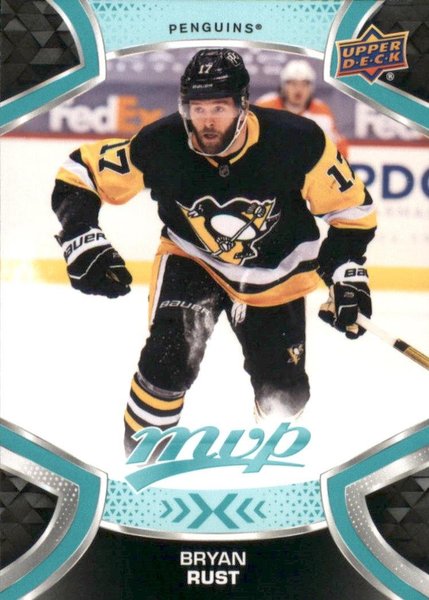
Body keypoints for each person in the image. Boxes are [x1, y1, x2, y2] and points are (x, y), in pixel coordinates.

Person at [52, 48, 376, 455]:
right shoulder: (162, 142)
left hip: (275, 276)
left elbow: (352, 212)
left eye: (219, 108)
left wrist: (346, 269)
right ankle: (140, 468)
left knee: (285, 396)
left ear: (243, 106)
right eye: (197, 108)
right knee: (167, 362)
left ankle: (265, 468)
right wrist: (81, 233)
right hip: (194, 261)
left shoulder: (297, 141)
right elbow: (80, 171)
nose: (206, 120)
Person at [256, 58, 349, 157]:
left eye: (304, 84)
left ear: (311, 88)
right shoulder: (265, 107)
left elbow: (339, 151)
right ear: (283, 87)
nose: (298, 89)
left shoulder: (322, 112)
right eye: (293, 84)